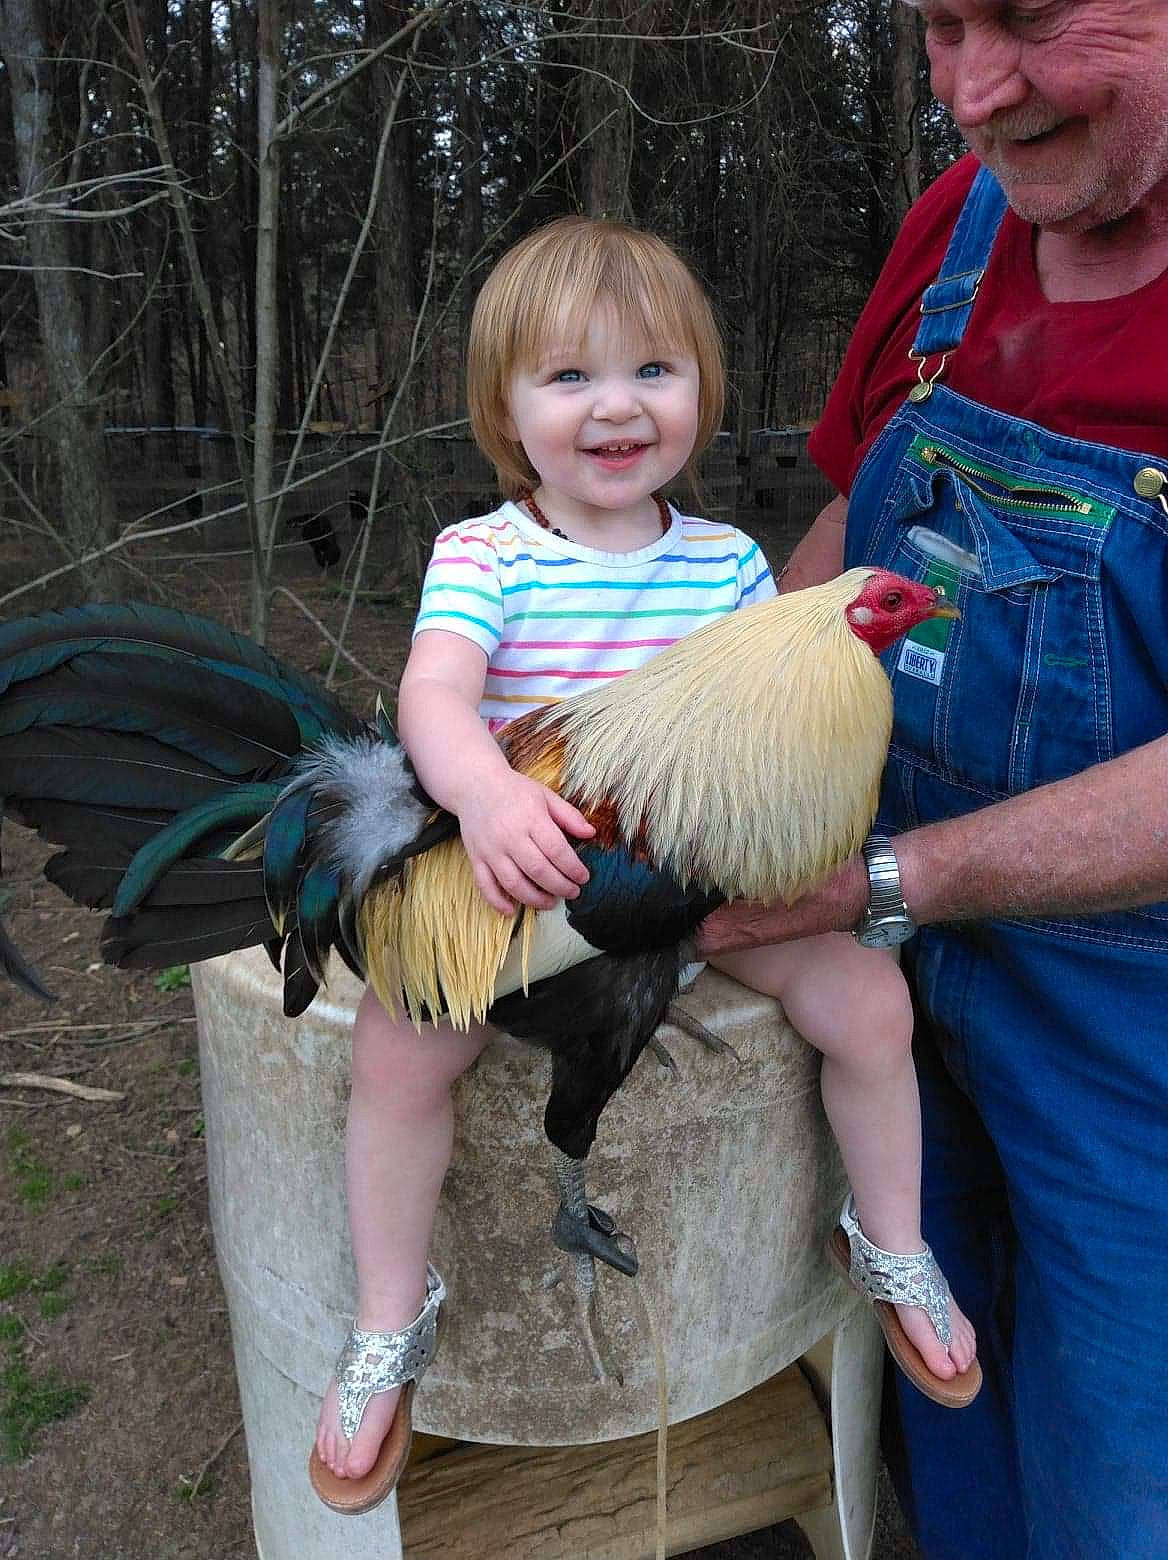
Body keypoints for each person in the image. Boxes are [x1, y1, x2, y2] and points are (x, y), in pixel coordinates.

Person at [308, 214, 977, 1515]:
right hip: (520, 884)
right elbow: (435, 694)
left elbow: (770, 744)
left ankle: (890, 1240)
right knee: (397, 1052)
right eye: (568, 377)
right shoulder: (485, 557)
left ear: (700, 397)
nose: (614, 407)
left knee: (870, 1003)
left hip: (697, 891)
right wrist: (487, 795)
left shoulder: (727, 566)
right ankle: (390, 1317)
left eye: (653, 372)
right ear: (505, 408)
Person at [697, 4, 1168, 1557]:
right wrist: (686, 742)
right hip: (896, 982)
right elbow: (848, 543)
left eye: (1030, 19)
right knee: (946, 1429)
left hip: (1132, 1034)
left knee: (1122, 1479)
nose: (974, 92)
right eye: (939, 28)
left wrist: (899, 881)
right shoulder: (953, 235)